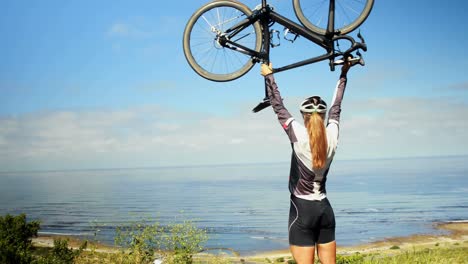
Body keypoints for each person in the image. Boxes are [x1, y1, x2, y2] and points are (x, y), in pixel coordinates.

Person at [260, 60, 351, 264]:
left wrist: (268, 75)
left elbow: (277, 105)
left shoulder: (299, 135)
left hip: (302, 210)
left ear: (304, 115)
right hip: (325, 210)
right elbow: (337, 107)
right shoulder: (332, 135)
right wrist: (344, 73)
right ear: (323, 115)